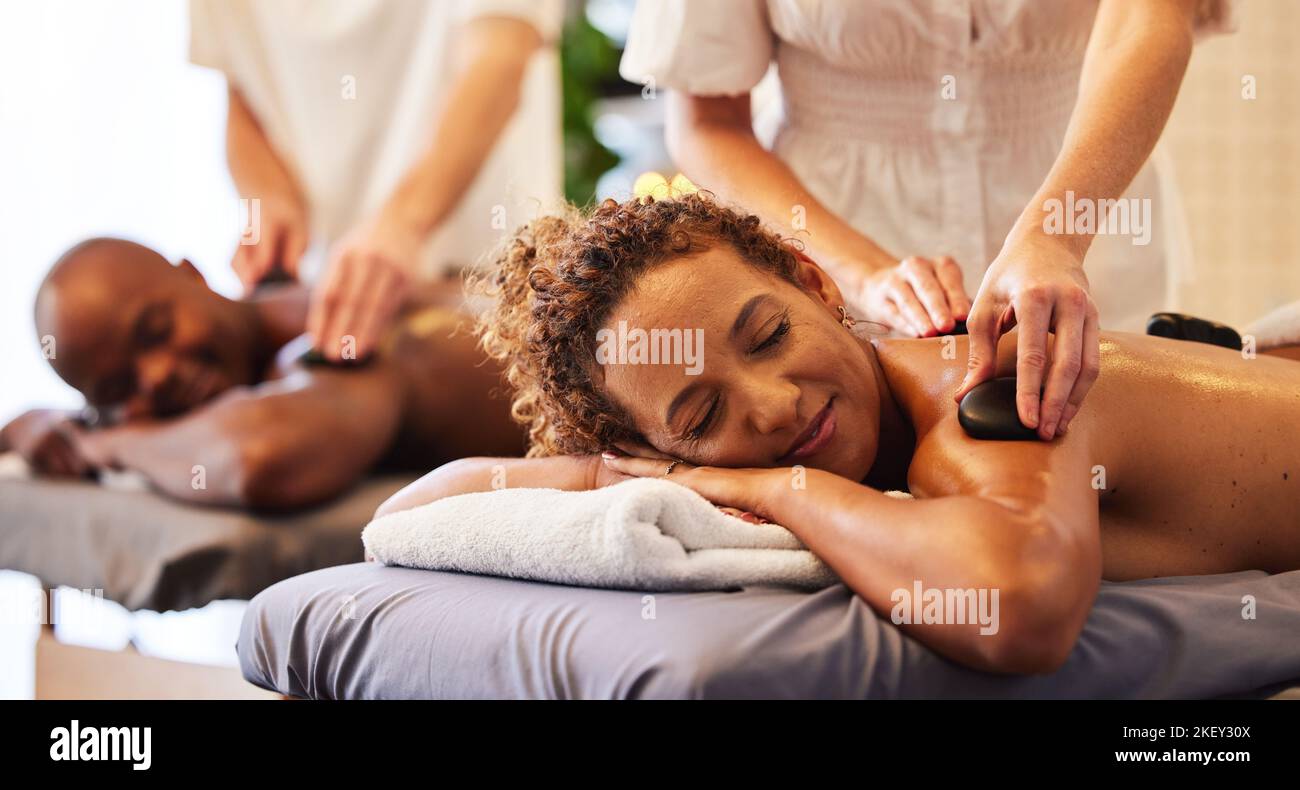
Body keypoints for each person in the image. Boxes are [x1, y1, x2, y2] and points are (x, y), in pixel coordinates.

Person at [377, 194, 1300, 674]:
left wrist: (773, 487)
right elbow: (418, 506)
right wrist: (622, 475)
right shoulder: (896, 439)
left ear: (818, 285)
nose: (772, 406)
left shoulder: (984, 397)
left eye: (769, 336)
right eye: (702, 417)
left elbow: (1017, 606)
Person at [619, 0, 1239, 441]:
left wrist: (1055, 231)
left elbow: (1152, 15)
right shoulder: (810, 316)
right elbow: (709, 123)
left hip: (1084, 202)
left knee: (1117, 460)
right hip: (835, 231)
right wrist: (861, 275)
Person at [0, 239, 522, 509]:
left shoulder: (332, 334)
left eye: (155, 331)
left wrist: (112, 443)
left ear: (194, 276)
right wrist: (31, 422)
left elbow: (258, 458)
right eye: (120, 388)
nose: (156, 377)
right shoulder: (275, 327)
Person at [189, 0, 563, 362]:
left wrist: (403, 222)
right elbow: (239, 92)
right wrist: (268, 197)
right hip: (334, 292)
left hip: (489, 282)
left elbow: (501, 57)